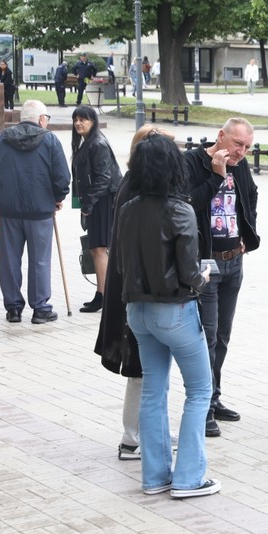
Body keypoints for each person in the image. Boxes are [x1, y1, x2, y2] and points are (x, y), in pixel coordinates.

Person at [116, 133, 220, 499]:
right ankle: (189, 478)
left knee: (153, 392)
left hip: (137, 311)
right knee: (200, 390)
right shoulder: (179, 209)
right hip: (174, 309)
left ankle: (155, 476)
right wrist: (204, 277)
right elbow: (191, 272)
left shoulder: (128, 208)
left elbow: (119, 264)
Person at [95, 125, 179, 460]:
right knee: (141, 369)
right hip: (137, 291)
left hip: (137, 288)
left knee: (149, 369)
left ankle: (148, 432)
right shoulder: (136, 189)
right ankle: (133, 437)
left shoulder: (141, 187)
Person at [182, 118, 260, 437]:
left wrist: (248, 237)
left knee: (223, 334)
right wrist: (216, 177)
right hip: (204, 261)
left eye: (247, 147)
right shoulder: (192, 162)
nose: (241, 152)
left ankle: (214, 397)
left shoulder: (240, 166)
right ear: (220, 136)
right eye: (237, 144)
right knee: (208, 335)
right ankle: (202, 407)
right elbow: (186, 205)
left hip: (233, 260)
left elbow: (251, 196)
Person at [0, 100, 70, 324]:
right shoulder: (49, 139)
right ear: (42, 119)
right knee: (40, 260)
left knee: (9, 260)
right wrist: (59, 197)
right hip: (40, 211)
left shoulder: (3, 138)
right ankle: (40, 309)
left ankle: (13, 308)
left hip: (9, 210)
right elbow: (61, 175)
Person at [71, 106, 123, 313]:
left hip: (103, 200)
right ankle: (103, 294)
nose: (78, 123)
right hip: (97, 200)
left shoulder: (97, 143)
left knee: (100, 248)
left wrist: (88, 204)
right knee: (97, 248)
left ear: (93, 121)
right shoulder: (88, 143)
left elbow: (104, 178)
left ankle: (104, 295)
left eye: (83, 119)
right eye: (75, 119)